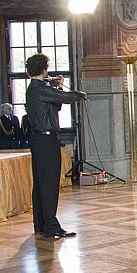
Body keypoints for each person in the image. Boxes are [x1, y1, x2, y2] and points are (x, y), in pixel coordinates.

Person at [25, 53, 86, 240]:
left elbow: (56, 105)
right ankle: (51, 227)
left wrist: (58, 86)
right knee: (49, 183)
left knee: (41, 183)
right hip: (45, 141)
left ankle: (41, 225)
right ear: (44, 69)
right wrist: (79, 95)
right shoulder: (38, 88)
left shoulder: (37, 89)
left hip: (40, 140)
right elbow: (65, 98)